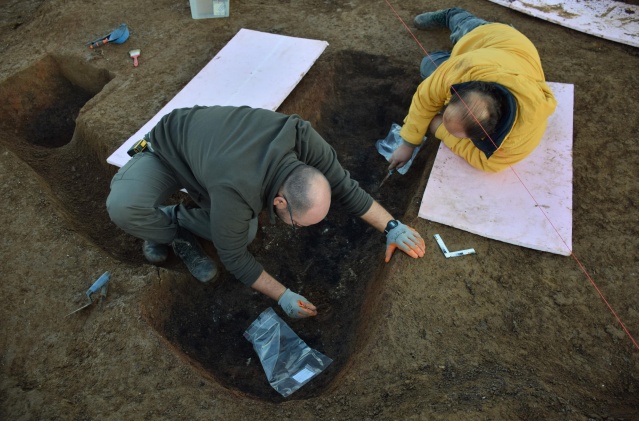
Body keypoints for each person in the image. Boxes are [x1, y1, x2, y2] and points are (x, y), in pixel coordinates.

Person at [106, 105, 426, 319]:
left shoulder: (305, 140)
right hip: (170, 150)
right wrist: (283, 295)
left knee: (243, 230)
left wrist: (392, 227)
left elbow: (347, 189)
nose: (297, 229)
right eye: (298, 224)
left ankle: (183, 216)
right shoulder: (237, 190)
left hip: (213, 165)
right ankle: (172, 229)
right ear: (279, 203)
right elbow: (233, 257)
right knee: (123, 207)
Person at [389, 7, 557, 173]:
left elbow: (486, 163)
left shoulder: (523, 132)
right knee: (461, 30)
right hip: (486, 42)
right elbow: (425, 97)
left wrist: (438, 128)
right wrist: (408, 143)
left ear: (488, 132)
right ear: (457, 93)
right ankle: (451, 15)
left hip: (495, 48)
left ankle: (452, 36)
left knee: (429, 62)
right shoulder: (459, 71)